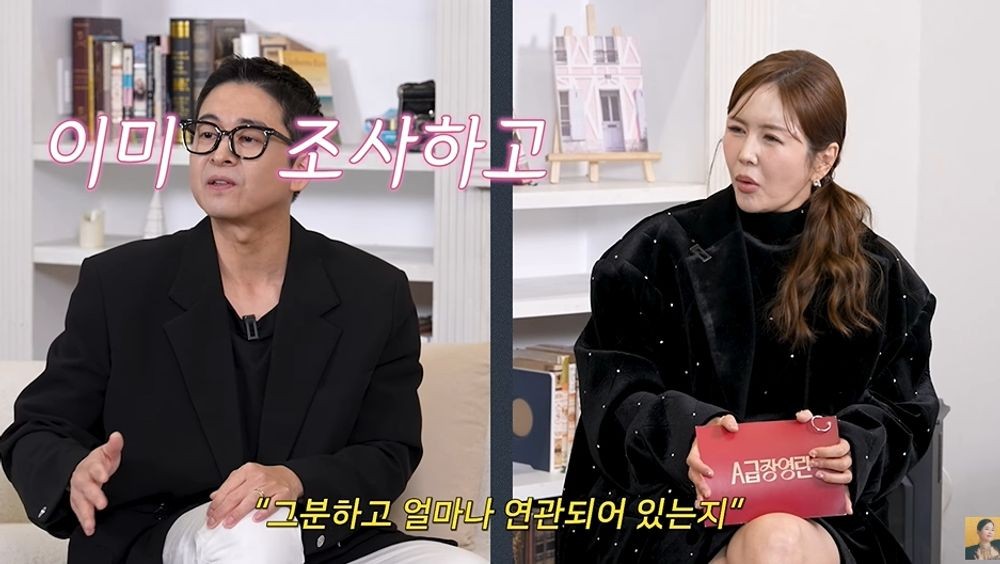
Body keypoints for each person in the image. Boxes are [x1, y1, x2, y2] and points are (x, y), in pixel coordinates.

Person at [0, 57, 484, 564]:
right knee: (252, 531)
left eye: (248, 138)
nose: (220, 154)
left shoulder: (374, 292)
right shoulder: (119, 284)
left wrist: (295, 480)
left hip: (326, 537)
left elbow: (389, 451)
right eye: (207, 134)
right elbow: (38, 427)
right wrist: (73, 471)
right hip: (166, 533)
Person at [556, 50, 939, 563]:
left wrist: (854, 448)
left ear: (823, 159)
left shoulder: (880, 274)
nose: (745, 154)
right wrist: (684, 437)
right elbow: (612, 392)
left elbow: (907, 407)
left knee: (776, 539)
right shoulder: (653, 254)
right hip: (672, 507)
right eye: (737, 130)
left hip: (820, 517)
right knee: (771, 542)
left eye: (771, 138)